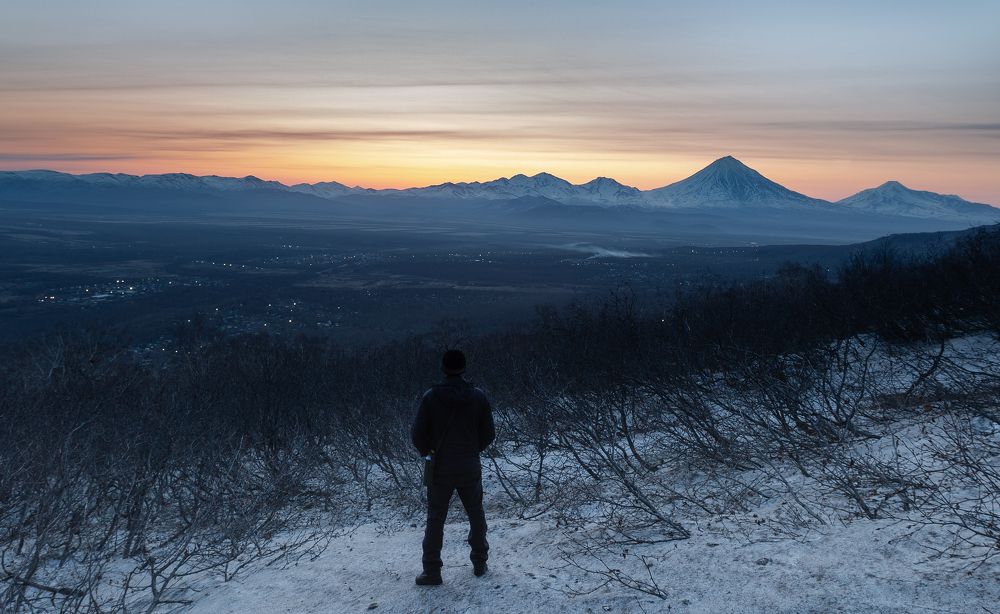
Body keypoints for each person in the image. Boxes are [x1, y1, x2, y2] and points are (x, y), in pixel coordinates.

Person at [411, 349, 496, 586]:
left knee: (436, 518)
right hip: (469, 464)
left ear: (443, 367)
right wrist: (471, 450)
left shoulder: (430, 397)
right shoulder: (478, 396)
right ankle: (480, 562)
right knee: (476, 513)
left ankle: (432, 571)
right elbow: (489, 433)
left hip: (440, 467)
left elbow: (417, 435)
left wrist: (429, 452)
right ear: (464, 367)